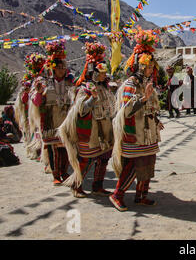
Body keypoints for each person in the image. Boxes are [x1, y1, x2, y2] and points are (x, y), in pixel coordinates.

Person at [109, 28, 164, 212]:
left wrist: (156, 120)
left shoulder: (147, 85)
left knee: (148, 162)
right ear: (139, 66)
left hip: (148, 133)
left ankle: (142, 195)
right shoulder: (130, 85)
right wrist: (143, 98)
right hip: (134, 133)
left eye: (151, 67)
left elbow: (152, 107)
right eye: (147, 67)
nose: (150, 70)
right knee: (132, 165)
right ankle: (117, 194)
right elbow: (127, 110)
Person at [58, 42, 115, 198]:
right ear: (93, 72)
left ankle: (98, 186)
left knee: (104, 159)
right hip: (91, 130)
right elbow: (81, 109)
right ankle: (76, 186)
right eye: (100, 72)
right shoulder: (85, 89)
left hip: (105, 128)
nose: (104, 75)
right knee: (86, 159)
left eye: (104, 72)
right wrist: (92, 99)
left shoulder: (105, 87)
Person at [30, 41, 74, 185]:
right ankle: (55, 174)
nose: (62, 70)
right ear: (53, 69)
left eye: (63, 68)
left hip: (65, 119)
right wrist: (37, 92)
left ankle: (64, 171)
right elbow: (36, 102)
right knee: (53, 148)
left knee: (66, 147)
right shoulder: (44, 83)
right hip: (51, 120)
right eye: (59, 68)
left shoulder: (69, 83)